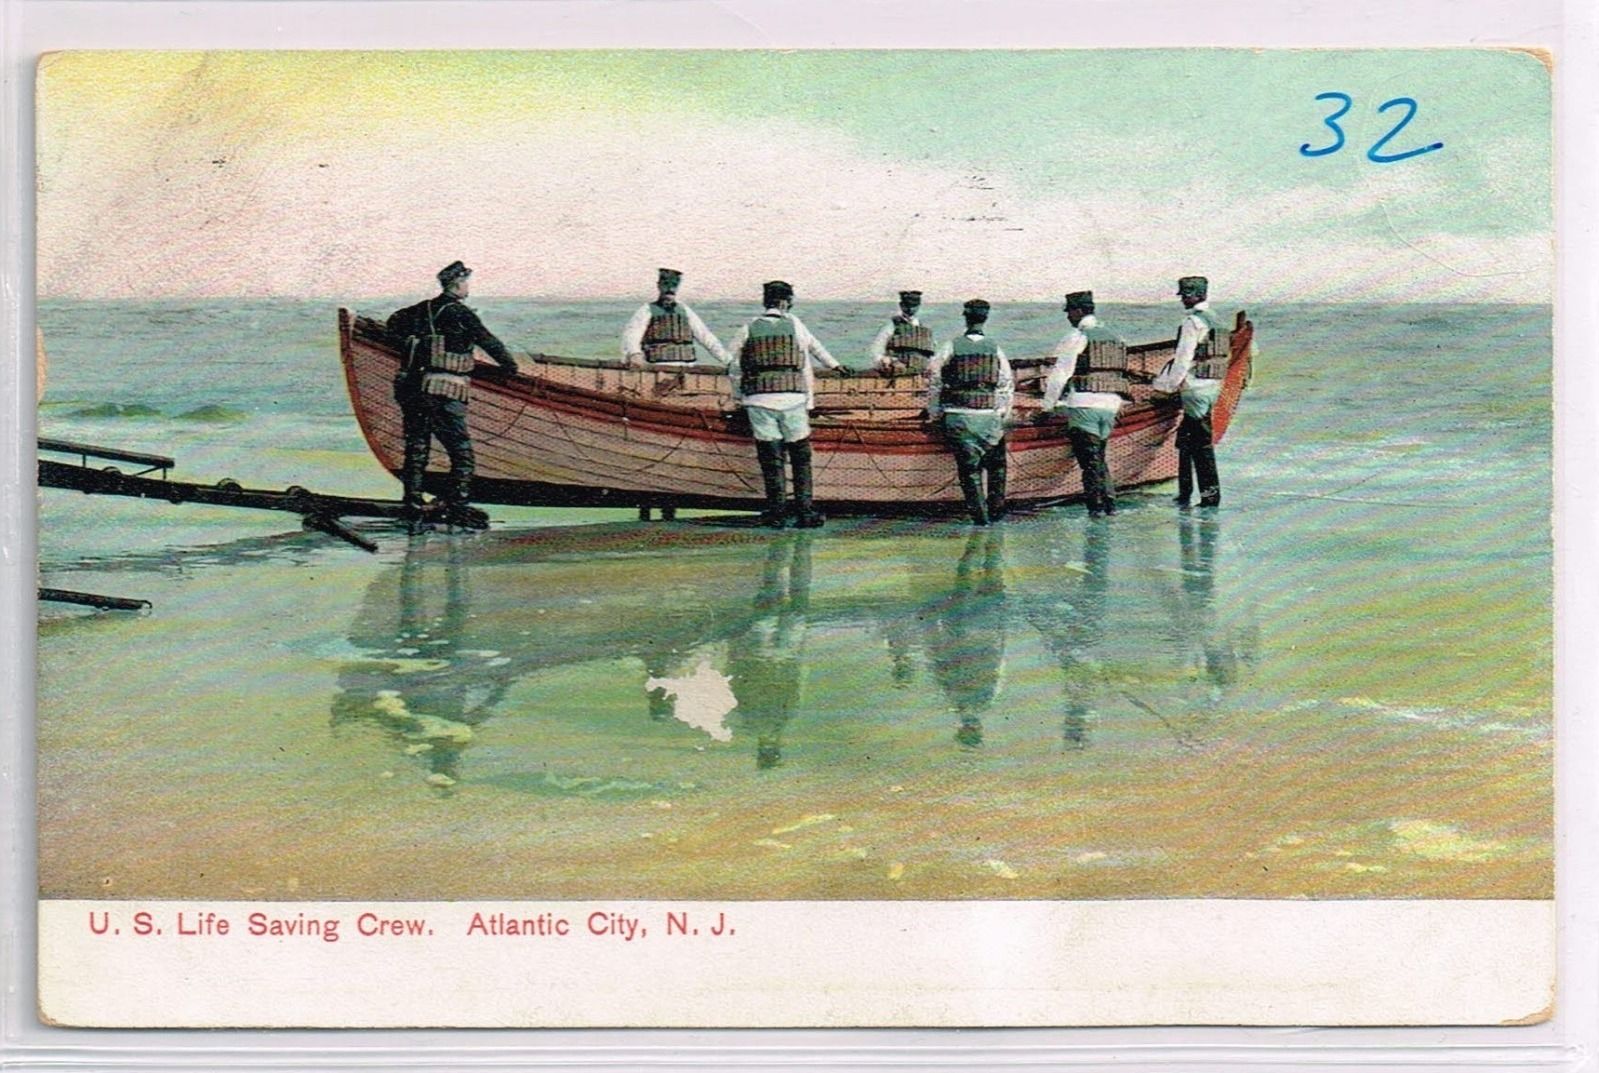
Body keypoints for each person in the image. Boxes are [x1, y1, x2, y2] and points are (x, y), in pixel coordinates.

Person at [386, 261, 519, 528]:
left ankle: (412, 503)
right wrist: (510, 367)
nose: (468, 287)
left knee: (417, 446)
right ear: (457, 284)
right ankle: (457, 506)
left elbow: (392, 325)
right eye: (466, 282)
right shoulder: (462, 313)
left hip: (414, 388)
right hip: (445, 391)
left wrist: (414, 346)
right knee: (461, 453)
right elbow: (489, 341)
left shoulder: (420, 310)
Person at [725, 280, 850, 529]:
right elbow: (811, 356)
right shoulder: (795, 324)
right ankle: (805, 513)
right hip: (792, 399)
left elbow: (733, 365)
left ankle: (777, 514)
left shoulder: (749, 327)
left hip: (758, 400)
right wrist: (834, 367)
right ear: (785, 302)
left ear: (766, 301)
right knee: (800, 457)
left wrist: (740, 398)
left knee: (772, 459)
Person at [925, 298, 1014, 525]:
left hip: (958, 417)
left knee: (969, 471)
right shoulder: (996, 349)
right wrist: (1002, 412)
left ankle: (980, 520)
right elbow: (1006, 384)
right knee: (997, 466)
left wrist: (934, 414)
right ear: (985, 319)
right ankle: (996, 515)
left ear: (965, 317)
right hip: (988, 417)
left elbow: (934, 379)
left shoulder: (951, 346)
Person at [1040, 290, 1128, 516]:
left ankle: (1096, 512)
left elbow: (1060, 374)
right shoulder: (1116, 337)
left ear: (1078, 311)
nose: (1068, 317)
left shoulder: (1077, 336)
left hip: (1084, 406)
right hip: (1111, 407)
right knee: (1098, 456)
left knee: (1089, 463)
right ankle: (1110, 506)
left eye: (1069, 312)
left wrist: (1048, 407)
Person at [1152, 275, 1226, 508]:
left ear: (1200, 295)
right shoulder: (1217, 320)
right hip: (1212, 386)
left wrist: (1168, 387)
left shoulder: (1192, 322)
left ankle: (1210, 497)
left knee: (1201, 444)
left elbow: (1182, 360)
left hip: (1194, 388)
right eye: (1183, 295)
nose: (1183, 299)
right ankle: (1184, 493)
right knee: (1186, 440)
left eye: (1187, 295)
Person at [620, 267, 732, 367]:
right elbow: (632, 333)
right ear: (659, 285)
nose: (670, 289)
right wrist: (635, 353)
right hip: (657, 366)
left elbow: (705, 337)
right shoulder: (646, 310)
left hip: (687, 366)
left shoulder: (685, 311)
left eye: (673, 285)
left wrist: (727, 360)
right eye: (666, 284)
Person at [869, 290, 936, 374]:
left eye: (914, 306)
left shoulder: (924, 328)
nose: (910, 308)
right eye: (907, 305)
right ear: (901, 306)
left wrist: (931, 366)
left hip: (919, 372)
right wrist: (884, 361)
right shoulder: (892, 325)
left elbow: (930, 353)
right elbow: (877, 348)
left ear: (918, 306)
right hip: (897, 370)